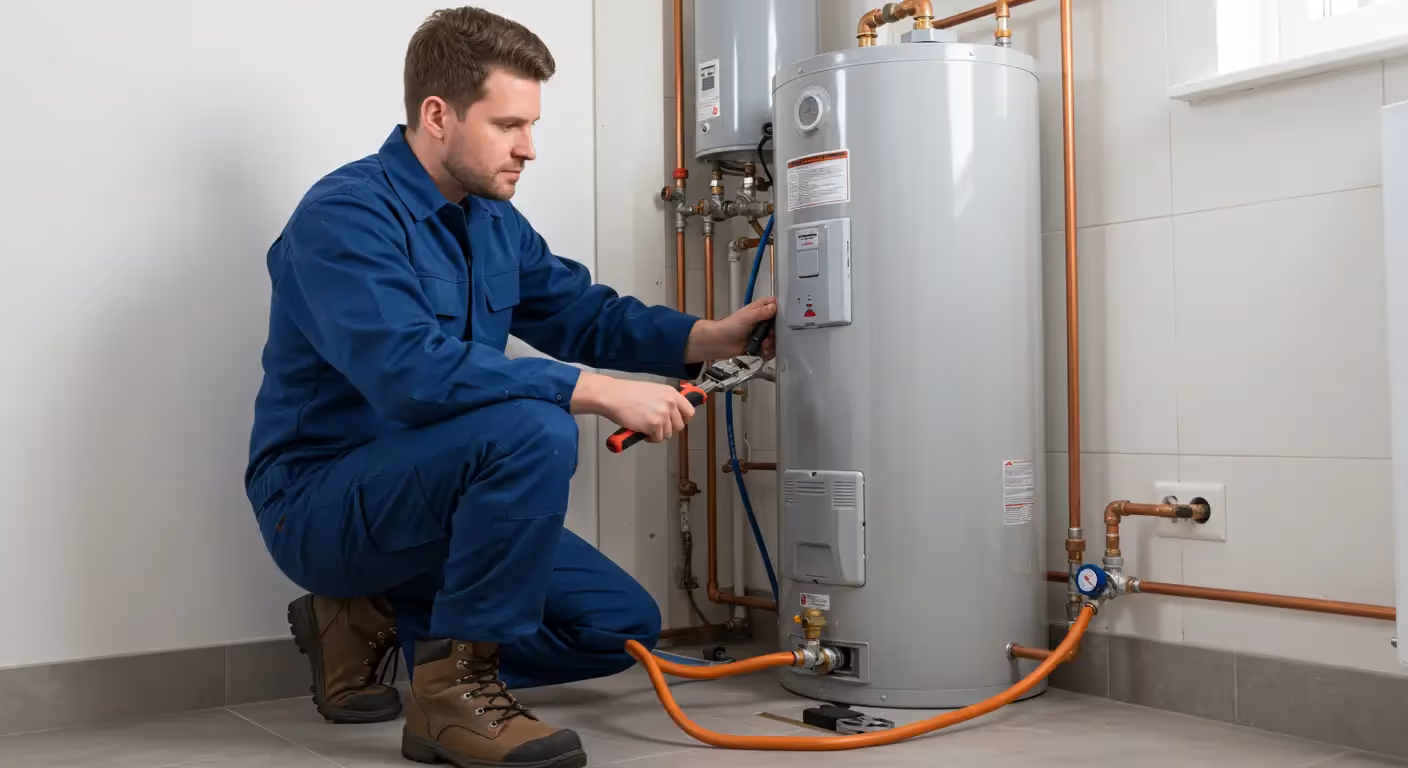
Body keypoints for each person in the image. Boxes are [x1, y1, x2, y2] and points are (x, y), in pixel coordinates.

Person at [243, 7, 776, 767]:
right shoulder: (344, 217)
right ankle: (452, 698)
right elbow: (408, 373)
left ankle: (370, 618)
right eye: (508, 125)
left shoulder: (492, 220)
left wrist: (710, 339)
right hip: (321, 504)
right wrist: (593, 389)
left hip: (440, 502)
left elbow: (582, 313)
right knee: (534, 425)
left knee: (617, 625)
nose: (529, 147)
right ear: (438, 115)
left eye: (532, 125)